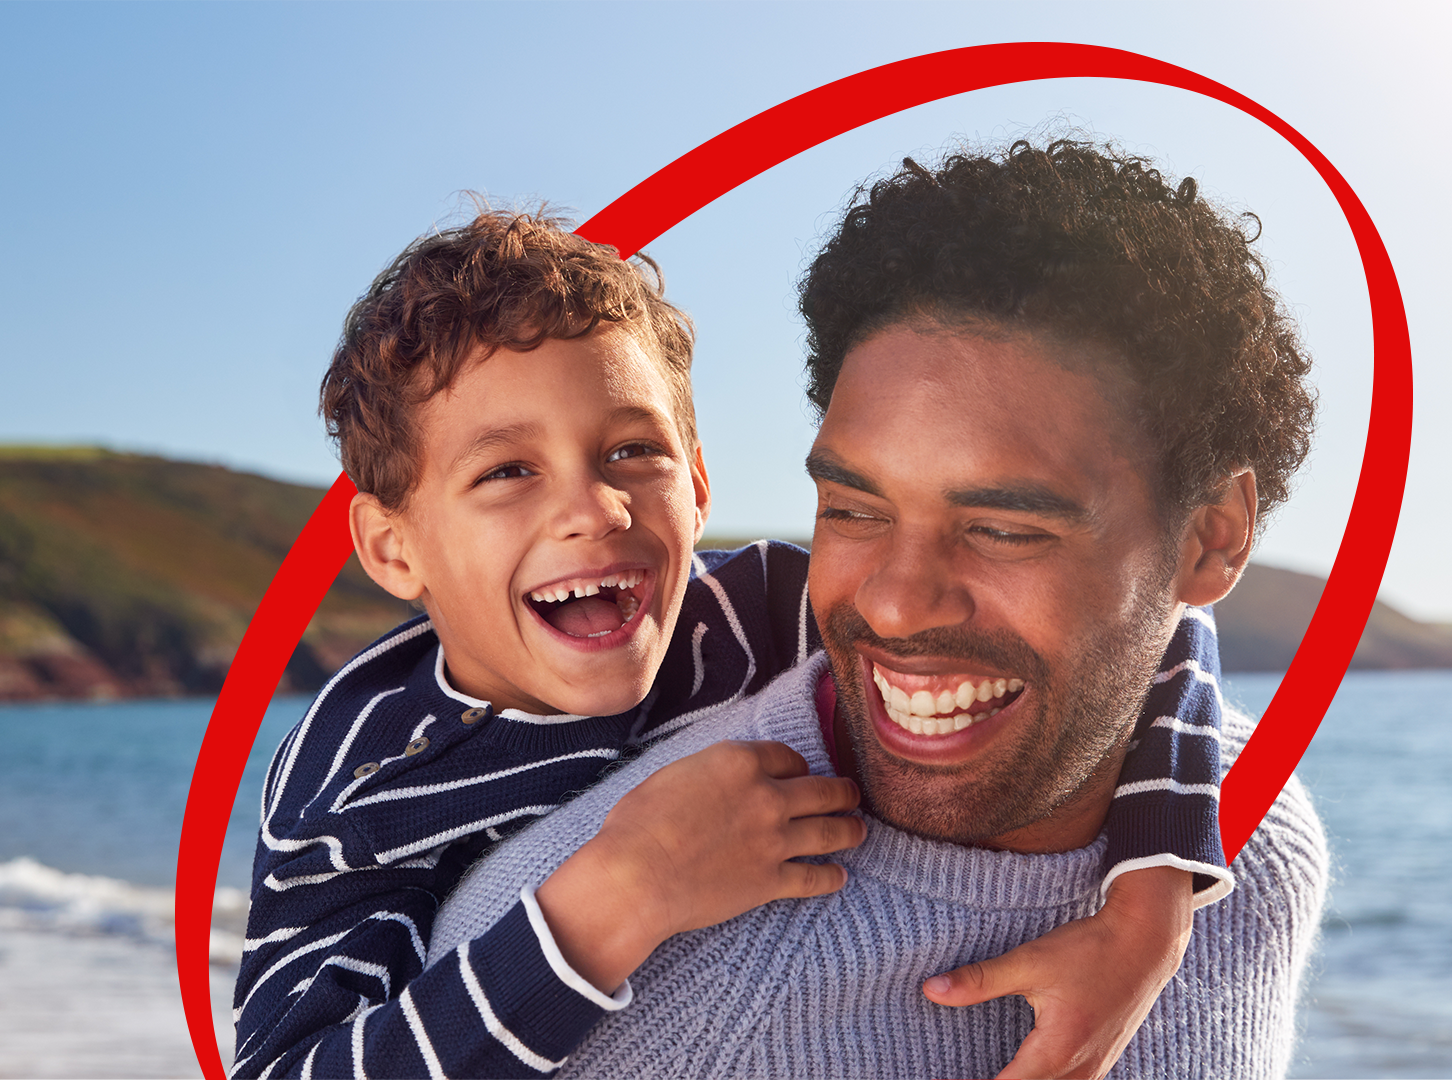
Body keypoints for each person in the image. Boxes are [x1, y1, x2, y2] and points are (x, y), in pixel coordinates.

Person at [233, 206, 1235, 1080]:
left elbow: (1147, 632)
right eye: (506, 473)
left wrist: (1152, 899)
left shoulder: (757, 608)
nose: (594, 508)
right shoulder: (356, 782)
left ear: (699, 484)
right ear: (392, 547)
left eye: (634, 451)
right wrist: (616, 899)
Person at [420, 141, 1329, 1079]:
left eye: (1004, 529)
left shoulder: (1259, 848)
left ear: (1211, 542)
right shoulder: (589, 947)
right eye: (853, 512)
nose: (893, 604)